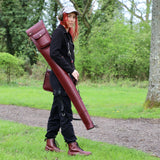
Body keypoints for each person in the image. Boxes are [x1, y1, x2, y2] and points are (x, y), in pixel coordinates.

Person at [44, 6, 91, 156]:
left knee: (57, 111)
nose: (71, 19)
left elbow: (68, 57)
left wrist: (73, 72)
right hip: (59, 78)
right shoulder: (59, 32)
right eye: (69, 16)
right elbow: (54, 54)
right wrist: (71, 70)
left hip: (64, 78)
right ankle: (72, 145)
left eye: (73, 17)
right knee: (65, 111)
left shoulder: (67, 34)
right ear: (62, 16)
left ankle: (50, 142)